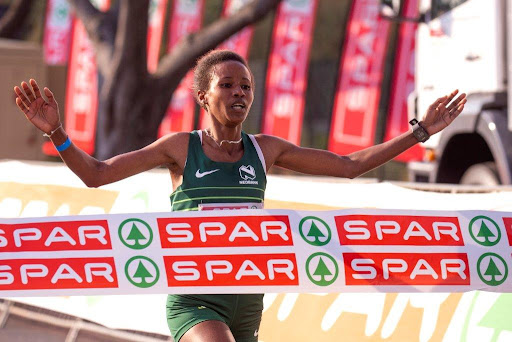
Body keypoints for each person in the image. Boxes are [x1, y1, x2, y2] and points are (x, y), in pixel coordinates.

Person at [14, 50, 466, 342]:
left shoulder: (265, 150)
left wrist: (420, 132)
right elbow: (97, 175)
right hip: (195, 297)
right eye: (227, 85)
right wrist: (56, 132)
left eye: (246, 86)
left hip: (248, 296)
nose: (239, 93)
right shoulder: (178, 148)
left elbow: (350, 167)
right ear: (202, 97)